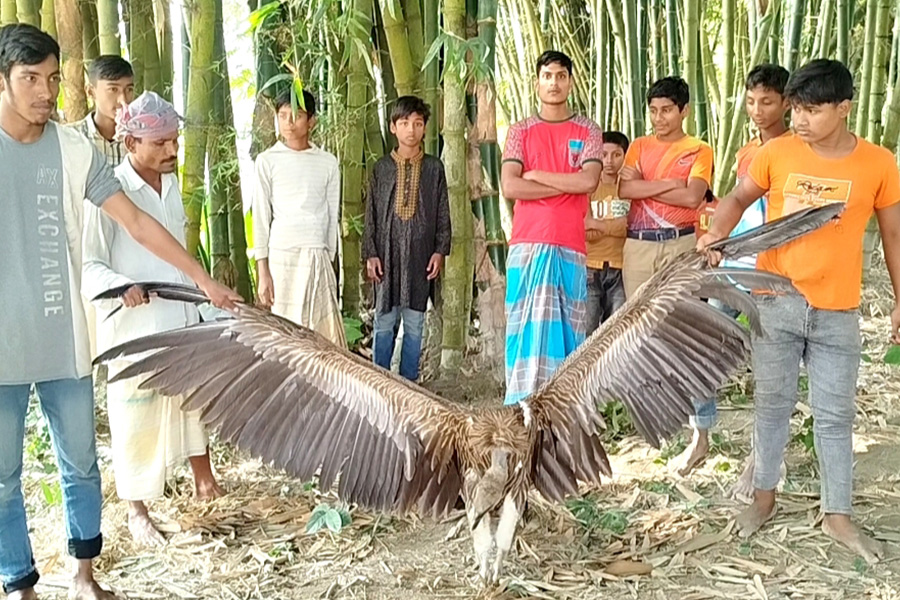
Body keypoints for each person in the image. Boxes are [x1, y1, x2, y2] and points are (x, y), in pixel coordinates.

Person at [0, 24, 237, 600]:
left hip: (66, 336)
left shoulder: (77, 149)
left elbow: (135, 221)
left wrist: (204, 279)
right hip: (2, 343)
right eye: (30, 78)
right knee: (4, 476)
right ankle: (20, 582)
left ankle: (83, 576)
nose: (45, 92)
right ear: (3, 81)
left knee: (80, 463)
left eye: (53, 79)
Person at [698, 58, 900, 565]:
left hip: (838, 310)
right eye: (796, 110)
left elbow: (894, 235)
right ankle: (763, 498)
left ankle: (838, 516)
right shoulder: (777, 152)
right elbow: (738, 198)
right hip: (775, 300)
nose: (800, 120)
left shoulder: (878, 164)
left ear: (844, 108)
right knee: (771, 407)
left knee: (835, 417)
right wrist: (717, 233)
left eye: (812, 110)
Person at [81, 92, 224, 548]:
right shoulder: (108, 191)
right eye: (161, 142)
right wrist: (122, 285)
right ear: (131, 144)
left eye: (175, 140)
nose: (172, 150)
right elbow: (87, 263)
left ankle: (204, 479)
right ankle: (136, 509)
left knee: (193, 403)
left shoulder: (171, 184)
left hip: (179, 315)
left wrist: (203, 295)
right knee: (134, 418)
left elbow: (176, 251)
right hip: (134, 326)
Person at [683, 64, 793, 480]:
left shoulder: (801, 150)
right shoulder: (749, 152)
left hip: (776, 277)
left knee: (772, 366)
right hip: (733, 269)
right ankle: (701, 433)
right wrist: (715, 243)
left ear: (787, 102)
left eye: (767, 101)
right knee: (700, 348)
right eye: (750, 101)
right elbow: (737, 209)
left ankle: (768, 456)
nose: (757, 110)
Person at [615, 76, 715, 472]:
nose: (659, 118)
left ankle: (700, 433)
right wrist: (671, 184)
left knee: (689, 337)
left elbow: (695, 197)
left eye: (667, 110)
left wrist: (646, 186)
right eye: (653, 110)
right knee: (642, 337)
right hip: (638, 245)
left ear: (684, 110)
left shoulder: (698, 148)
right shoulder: (638, 146)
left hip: (681, 244)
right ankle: (656, 425)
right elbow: (624, 191)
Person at [499, 50, 603, 405]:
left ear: (570, 82)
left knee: (568, 331)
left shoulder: (587, 129)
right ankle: (520, 405)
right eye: (547, 76)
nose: (554, 83)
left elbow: (589, 181)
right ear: (536, 82)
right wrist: (566, 183)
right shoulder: (520, 131)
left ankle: (560, 408)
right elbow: (511, 187)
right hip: (528, 243)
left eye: (561, 76)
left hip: (570, 244)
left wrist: (539, 176)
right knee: (523, 328)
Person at [363, 96, 451, 381]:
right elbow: (371, 214)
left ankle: (409, 386)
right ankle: (380, 382)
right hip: (387, 258)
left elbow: (442, 212)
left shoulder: (434, 168)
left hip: (420, 259)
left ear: (425, 128)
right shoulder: (382, 168)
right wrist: (371, 253)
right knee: (384, 321)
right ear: (392, 128)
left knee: (415, 323)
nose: (411, 130)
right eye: (404, 123)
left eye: (417, 123)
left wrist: (439, 250)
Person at [252, 88, 345, 346]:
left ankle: (324, 385)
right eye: (283, 116)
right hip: (282, 255)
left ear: (312, 121)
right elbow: (261, 217)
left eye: (297, 116)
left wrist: (329, 259)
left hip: (317, 254)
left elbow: (331, 213)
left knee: (322, 337)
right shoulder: (266, 161)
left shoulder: (327, 162)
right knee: (285, 336)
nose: (289, 123)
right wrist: (263, 272)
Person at [584, 131, 629, 332]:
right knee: (586, 331)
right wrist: (616, 226)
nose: (609, 161)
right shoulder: (588, 186)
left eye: (616, 155)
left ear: (625, 156)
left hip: (622, 267)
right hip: (589, 268)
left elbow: (631, 227)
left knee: (617, 332)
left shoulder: (632, 187)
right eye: (603, 154)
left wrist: (599, 225)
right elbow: (585, 231)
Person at [70, 55, 134, 167]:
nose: (123, 100)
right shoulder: (71, 138)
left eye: (129, 90)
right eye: (113, 89)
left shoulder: (141, 138)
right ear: (91, 92)